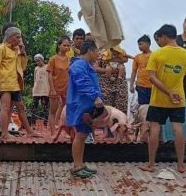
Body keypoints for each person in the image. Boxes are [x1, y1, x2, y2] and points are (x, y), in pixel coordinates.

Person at [140, 24, 186, 174]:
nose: (159, 42)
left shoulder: (157, 54)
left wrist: (168, 92)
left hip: (159, 99)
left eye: (159, 39)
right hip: (178, 99)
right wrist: (173, 92)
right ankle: (181, 165)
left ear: (163, 36)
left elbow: (151, 77)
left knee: (155, 128)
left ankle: (151, 164)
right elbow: (184, 76)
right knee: (178, 129)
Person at [0, 26, 40, 141]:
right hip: (4, 84)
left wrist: (22, 53)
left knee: (21, 108)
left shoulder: (16, 50)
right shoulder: (0, 49)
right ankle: (4, 134)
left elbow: (22, 67)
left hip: (15, 84)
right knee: (5, 108)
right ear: (10, 37)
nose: (19, 39)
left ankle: (30, 131)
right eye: (17, 37)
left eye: (20, 37)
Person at [66, 40, 104, 178]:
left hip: (86, 105)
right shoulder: (79, 65)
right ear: (90, 51)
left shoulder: (85, 65)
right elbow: (83, 83)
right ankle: (77, 166)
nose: (98, 55)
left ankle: (80, 164)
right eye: (97, 52)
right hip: (81, 105)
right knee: (80, 135)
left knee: (83, 135)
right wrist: (95, 97)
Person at [47, 37, 71, 132]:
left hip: (67, 88)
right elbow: (49, 74)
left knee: (66, 109)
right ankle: (53, 131)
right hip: (55, 88)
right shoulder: (53, 59)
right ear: (59, 45)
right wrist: (52, 89)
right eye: (64, 45)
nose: (66, 47)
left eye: (68, 45)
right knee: (53, 110)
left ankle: (65, 129)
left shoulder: (69, 59)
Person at [98, 46, 129, 114]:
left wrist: (113, 59)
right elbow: (95, 68)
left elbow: (126, 59)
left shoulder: (120, 50)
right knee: (106, 109)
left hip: (120, 84)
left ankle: (121, 124)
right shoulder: (100, 52)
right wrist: (110, 71)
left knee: (121, 107)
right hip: (105, 84)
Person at [31, 53, 50, 126]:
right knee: (34, 107)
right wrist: (33, 88)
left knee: (45, 107)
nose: (37, 62)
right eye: (36, 61)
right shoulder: (36, 68)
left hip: (45, 90)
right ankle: (33, 123)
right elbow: (35, 79)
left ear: (42, 60)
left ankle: (45, 123)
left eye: (38, 60)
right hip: (37, 90)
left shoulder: (47, 67)